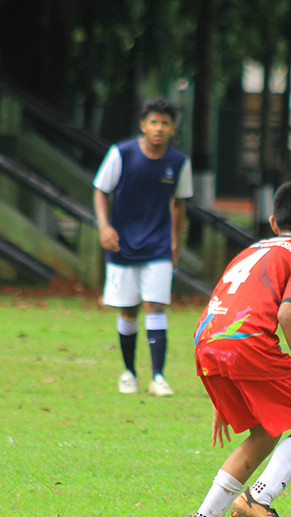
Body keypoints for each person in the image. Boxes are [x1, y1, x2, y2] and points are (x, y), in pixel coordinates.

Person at [178, 180, 291, 517]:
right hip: (246, 344)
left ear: (272, 222)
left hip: (206, 344)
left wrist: (224, 397)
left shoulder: (250, 250)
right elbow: (287, 314)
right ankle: (258, 501)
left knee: (265, 433)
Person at [92, 98, 193, 397]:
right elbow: (100, 189)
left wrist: (176, 240)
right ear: (142, 125)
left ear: (173, 128)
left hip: (159, 245)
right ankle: (129, 373)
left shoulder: (178, 162)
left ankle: (158, 377)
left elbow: (180, 203)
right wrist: (104, 226)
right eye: (153, 122)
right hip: (122, 244)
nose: (159, 128)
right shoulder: (121, 153)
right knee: (128, 310)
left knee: (155, 304)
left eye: (164, 123)